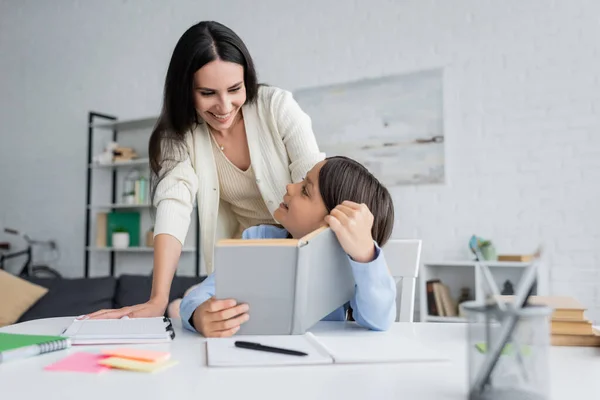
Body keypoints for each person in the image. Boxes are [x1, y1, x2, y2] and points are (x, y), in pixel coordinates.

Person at [85, 21, 324, 320]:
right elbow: (174, 203)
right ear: (186, 90)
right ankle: (175, 306)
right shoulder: (179, 135)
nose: (224, 106)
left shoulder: (276, 107)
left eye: (235, 89)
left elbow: (316, 181)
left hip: (302, 249)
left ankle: (180, 305)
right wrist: (157, 298)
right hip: (248, 255)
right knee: (218, 317)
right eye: (208, 92)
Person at [180, 156, 397, 337]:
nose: (290, 186)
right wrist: (198, 315)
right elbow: (200, 295)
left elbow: (379, 320)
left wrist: (365, 253)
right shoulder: (258, 241)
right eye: (301, 181)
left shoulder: (351, 265)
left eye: (305, 190)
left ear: (332, 222)